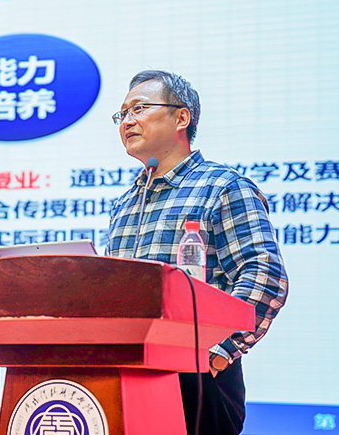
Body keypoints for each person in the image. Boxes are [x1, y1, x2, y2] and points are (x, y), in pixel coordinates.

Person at [105, 70, 289, 435]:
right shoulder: (125, 204)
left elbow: (264, 275)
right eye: (122, 114)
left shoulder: (223, 187)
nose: (127, 121)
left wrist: (215, 354)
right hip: (127, 376)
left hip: (199, 379)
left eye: (138, 108)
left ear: (181, 117)